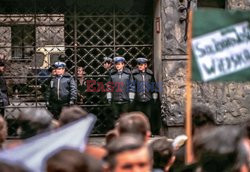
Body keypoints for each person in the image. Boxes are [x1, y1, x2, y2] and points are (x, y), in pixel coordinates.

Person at [132, 57, 159, 134]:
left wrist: (154, 94)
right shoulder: (134, 74)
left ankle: (148, 132)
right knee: (138, 117)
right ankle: (138, 132)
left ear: (145, 65)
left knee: (148, 116)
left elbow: (154, 86)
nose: (140, 66)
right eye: (139, 64)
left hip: (148, 98)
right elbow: (132, 86)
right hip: (138, 99)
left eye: (141, 65)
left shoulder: (150, 74)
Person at [107, 56, 135, 121]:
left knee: (125, 118)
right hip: (115, 100)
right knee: (115, 117)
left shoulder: (128, 74)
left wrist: (131, 97)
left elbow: (131, 85)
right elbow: (109, 85)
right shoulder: (112, 74)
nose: (117, 66)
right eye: (116, 64)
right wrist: (109, 96)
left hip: (125, 100)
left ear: (123, 64)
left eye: (119, 64)